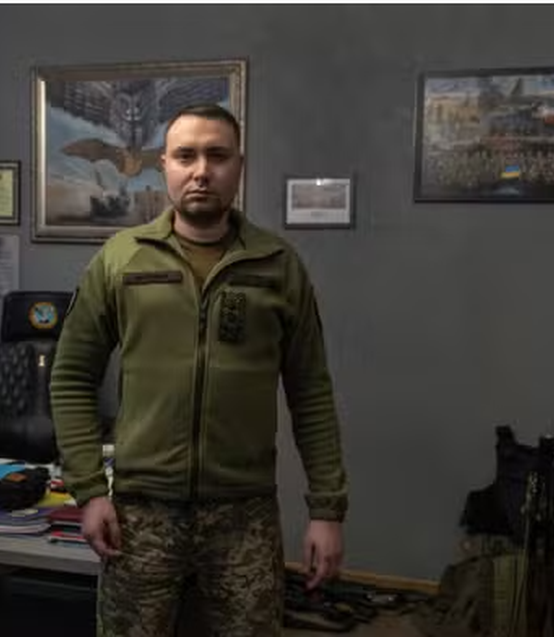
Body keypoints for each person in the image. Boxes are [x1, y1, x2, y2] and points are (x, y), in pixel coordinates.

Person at [49, 103, 348, 636]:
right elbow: (71, 377)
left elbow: (311, 393)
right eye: (186, 156)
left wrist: (326, 510)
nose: (201, 171)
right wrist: (89, 491)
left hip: (244, 517)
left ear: (239, 166)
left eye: (217, 155)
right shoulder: (122, 259)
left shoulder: (277, 265)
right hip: (141, 515)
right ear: (163, 164)